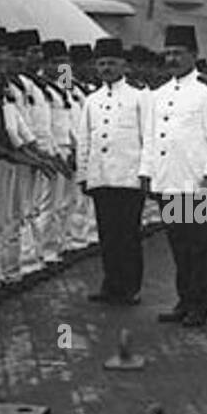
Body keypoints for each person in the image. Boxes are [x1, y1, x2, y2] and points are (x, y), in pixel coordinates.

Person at [141, 24, 207, 327]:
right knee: (179, 247)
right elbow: (151, 138)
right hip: (169, 181)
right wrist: (147, 174)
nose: (172, 59)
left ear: (194, 55)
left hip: (197, 184)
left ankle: (199, 307)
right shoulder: (159, 94)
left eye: (178, 53)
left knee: (200, 248)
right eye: (168, 53)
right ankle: (183, 301)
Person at [77, 37, 149, 305]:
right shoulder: (91, 100)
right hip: (101, 177)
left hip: (129, 177)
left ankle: (130, 287)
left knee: (128, 234)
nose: (106, 68)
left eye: (111, 63)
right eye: (102, 63)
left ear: (124, 65)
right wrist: (83, 174)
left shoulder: (139, 97)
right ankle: (111, 285)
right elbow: (84, 139)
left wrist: (146, 173)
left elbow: (148, 137)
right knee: (107, 234)